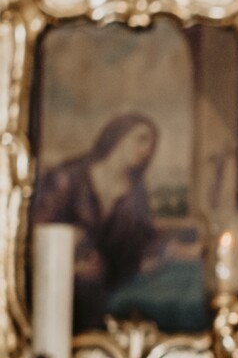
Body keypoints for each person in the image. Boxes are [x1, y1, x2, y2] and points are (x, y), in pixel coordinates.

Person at [32, 112, 162, 331]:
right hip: (56, 284)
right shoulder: (68, 178)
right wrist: (70, 266)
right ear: (118, 136)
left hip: (109, 284)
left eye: (151, 145)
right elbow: (34, 237)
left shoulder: (135, 190)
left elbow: (143, 240)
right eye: (141, 139)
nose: (146, 150)